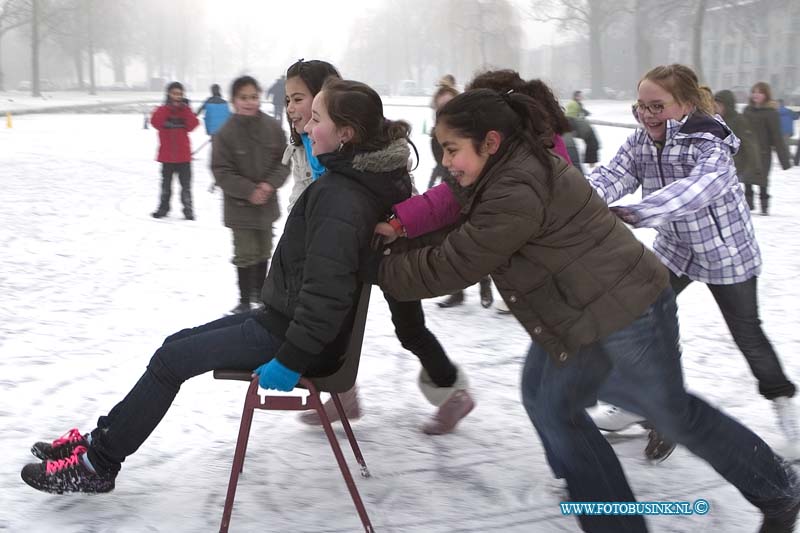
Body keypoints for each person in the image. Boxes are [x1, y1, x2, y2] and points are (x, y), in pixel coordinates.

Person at [365, 85, 800, 533]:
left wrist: (372, 268)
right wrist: (399, 231)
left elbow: (456, 262)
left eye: (453, 149)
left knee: (669, 413)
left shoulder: (515, 186)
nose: (448, 162)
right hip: (577, 313)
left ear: (490, 141)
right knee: (549, 402)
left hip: (626, 308)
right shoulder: (502, 170)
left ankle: (779, 489)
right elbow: (455, 224)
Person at [20, 78, 416, 495]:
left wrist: (292, 359)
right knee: (174, 345)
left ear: (347, 133)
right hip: (285, 321)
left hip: (293, 338)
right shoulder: (346, 185)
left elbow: (328, 294)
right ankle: (100, 442)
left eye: (317, 119)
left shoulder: (341, 197)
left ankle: (96, 463)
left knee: (172, 359)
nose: (306, 127)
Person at [585, 65, 799, 462]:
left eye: (657, 106)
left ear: (684, 105)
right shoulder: (640, 143)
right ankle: (642, 401)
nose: (647, 115)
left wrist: (639, 212)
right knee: (638, 318)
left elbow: (694, 191)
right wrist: (579, 198)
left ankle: (790, 416)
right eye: (641, 107)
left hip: (726, 253)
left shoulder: (711, 145)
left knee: (748, 335)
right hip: (675, 249)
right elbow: (611, 176)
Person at [282, 59, 474, 434]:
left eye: (299, 99)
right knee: (335, 321)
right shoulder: (310, 139)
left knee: (408, 328)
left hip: (390, 245)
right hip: (352, 250)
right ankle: (343, 394)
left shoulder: (345, 139)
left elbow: (348, 193)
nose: (291, 108)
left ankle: (453, 392)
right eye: (287, 99)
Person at [375, 70, 573, 316]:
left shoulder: (523, 177)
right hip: (565, 303)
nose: (446, 162)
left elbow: (461, 261)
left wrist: (377, 268)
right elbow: (448, 198)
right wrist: (399, 223)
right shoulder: (506, 159)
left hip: (584, 300)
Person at [212, 76, 289, 314]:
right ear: (234, 101)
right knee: (245, 252)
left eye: (253, 97)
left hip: (266, 205)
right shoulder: (225, 133)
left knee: (264, 250)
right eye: (243, 98)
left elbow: (284, 161)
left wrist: (268, 185)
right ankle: (245, 300)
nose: (249, 102)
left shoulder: (273, 128)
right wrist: (248, 191)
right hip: (239, 208)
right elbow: (221, 171)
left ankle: (261, 295)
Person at [424, 75, 493, 310]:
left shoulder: (473, 133)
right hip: (452, 191)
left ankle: (485, 283)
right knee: (450, 242)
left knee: (477, 241)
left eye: (450, 105)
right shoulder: (436, 136)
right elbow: (442, 163)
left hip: (474, 191)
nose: (446, 111)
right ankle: (457, 292)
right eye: (441, 108)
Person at [150, 81, 199, 220]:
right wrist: (166, 108)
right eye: (174, 94)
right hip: (167, 156)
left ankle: (188, 210)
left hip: (183, 156)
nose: (177, 97)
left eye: (180, 94)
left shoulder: (185, 110)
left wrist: (187, 109)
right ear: (168, 94)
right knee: (166, 185)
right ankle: (163, 208)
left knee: (186, 187)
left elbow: (192, 125)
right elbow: (155, 122)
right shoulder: (162, 110)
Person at [743, 82, 792, 215]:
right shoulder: (747, 110)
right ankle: (748, 205)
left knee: (762, 180)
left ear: (766, 95)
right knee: (747, 179)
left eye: (759, 92)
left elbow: (776, 136)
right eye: (754, 92)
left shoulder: (771, 113)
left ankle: (764, 206)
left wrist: (784, 160)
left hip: (763, 153)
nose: (756, 95)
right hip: (748, 151)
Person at [714, 89, 763, 208]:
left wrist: (755, 166)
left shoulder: (739, 120)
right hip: (720, 165)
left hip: (737, 165)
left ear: (727, 105)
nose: (716, 108)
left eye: (719, 105)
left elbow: (750, 145)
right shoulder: (716, 120)